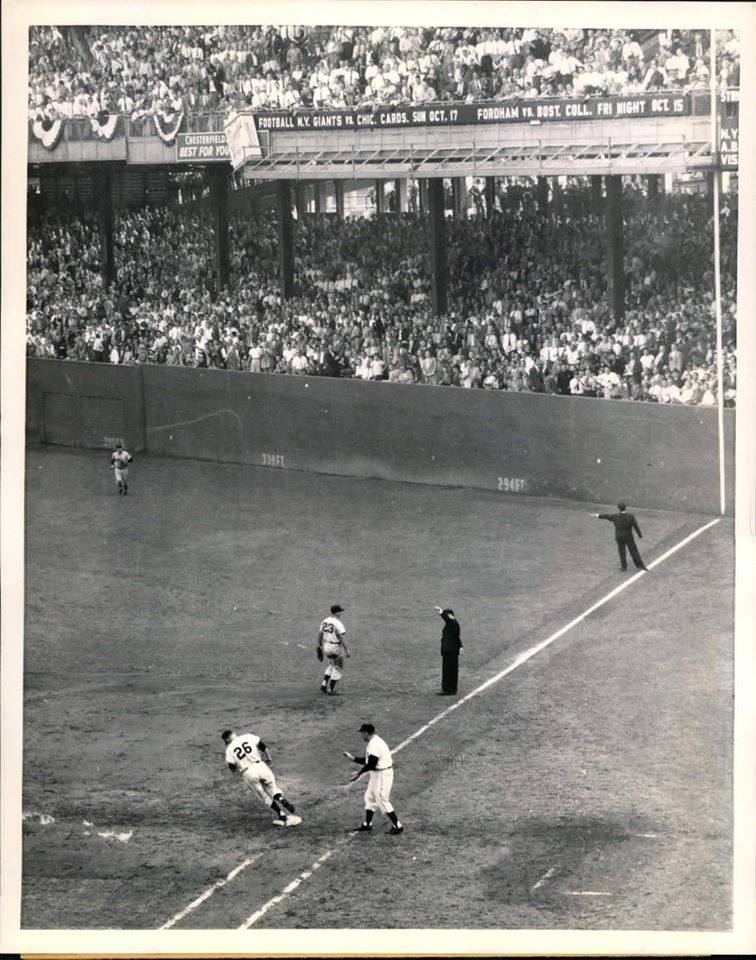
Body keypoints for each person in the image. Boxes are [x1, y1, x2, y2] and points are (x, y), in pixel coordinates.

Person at [221, 729, 301, 827]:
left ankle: (281, 814)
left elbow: (232, 767)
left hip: (248, 773)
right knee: (273, 789)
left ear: (227, 739)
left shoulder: (229, 749)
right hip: (261, 766)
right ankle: (280, 798)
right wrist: (268, 757)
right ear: (234, 734)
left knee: (263, 796)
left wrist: (237, 768)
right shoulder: (247, 736)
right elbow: (262, 746)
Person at [343, 723, 404, 835]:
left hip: (382, 775)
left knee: (382, 799)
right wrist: (353, 759)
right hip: (377, 774)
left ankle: (398, 826)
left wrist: (359, 773)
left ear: (366, 733)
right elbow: (369, 761)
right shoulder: (375, 741)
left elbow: (371, 764)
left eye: (362, 733)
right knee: (370, 797)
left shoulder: (374, 745)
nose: (361, 736)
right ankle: (367, 824)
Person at [593, 502, 648, 572]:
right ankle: (640, 565)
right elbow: (635, 526)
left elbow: (606, 516)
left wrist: (597, 515)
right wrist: (639, 535)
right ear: (625, 507)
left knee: (622, 552)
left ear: (618, 508)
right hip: (628, 536)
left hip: (619, 537)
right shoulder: (631, 516)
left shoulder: (615, 516)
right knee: (634, 551)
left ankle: (624, 567)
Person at [317, 603, 350, 695]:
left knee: (331, 665)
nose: (341, 613)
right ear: (337, 613)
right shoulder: (338, 623)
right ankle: (331, 690)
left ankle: (324, 685)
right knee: (337, 667)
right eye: (340, 611)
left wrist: (319, 646)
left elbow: (320, 634)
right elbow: (341, 637)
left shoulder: (325, 621)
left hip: (326, 645)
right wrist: (346, 650)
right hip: (335, 647)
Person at [434, 605, 463, 695]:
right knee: (452, 671)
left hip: (449, 651)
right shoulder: (454, 624)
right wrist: (461, 646)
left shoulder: (452, 623)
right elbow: (456, 637)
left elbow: (447, 619)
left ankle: (448, 689)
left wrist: (441, 612)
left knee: (448, 671)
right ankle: (451, 689)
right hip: (452, 651)